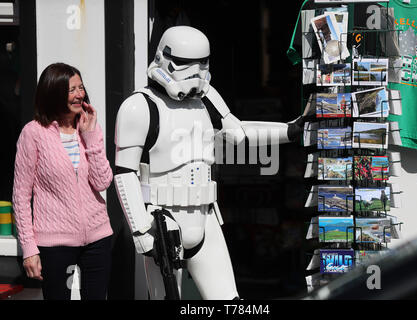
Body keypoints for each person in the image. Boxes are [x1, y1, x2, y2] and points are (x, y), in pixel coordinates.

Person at [113, 26, 304, 300]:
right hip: (164, 224)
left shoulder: (207, 99)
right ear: (163, 59)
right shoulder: (139, 106)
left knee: (230, 300)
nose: (195, 73)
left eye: (202, 64)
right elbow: (124, 172)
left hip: (206, 222)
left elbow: (239, 134)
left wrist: (290, 130)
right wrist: (141, 229)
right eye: (185, 64)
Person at [12, 62, 113, 300]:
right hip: (54, 244)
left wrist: (90, 137)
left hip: (98, 239)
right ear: (54, 93)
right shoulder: (33, 133)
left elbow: (103, 182)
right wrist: (28, 248)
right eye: (72, 90)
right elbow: (20, 196)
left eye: (81, 88)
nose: (80, 95)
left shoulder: (89, 128)